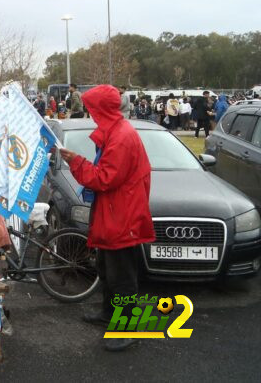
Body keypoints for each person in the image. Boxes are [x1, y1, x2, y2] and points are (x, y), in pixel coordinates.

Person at [58, 85, 155, 352]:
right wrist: (77, 160)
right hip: (114, 212)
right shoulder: (115, 131)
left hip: (122, 216)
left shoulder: (121, 137)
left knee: (123, 278)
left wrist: (77, 161)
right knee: (107, 270)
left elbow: (104, 178)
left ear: (101, 109)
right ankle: (109, 315)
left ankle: (129, 329)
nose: (89, 114)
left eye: (91, 109)